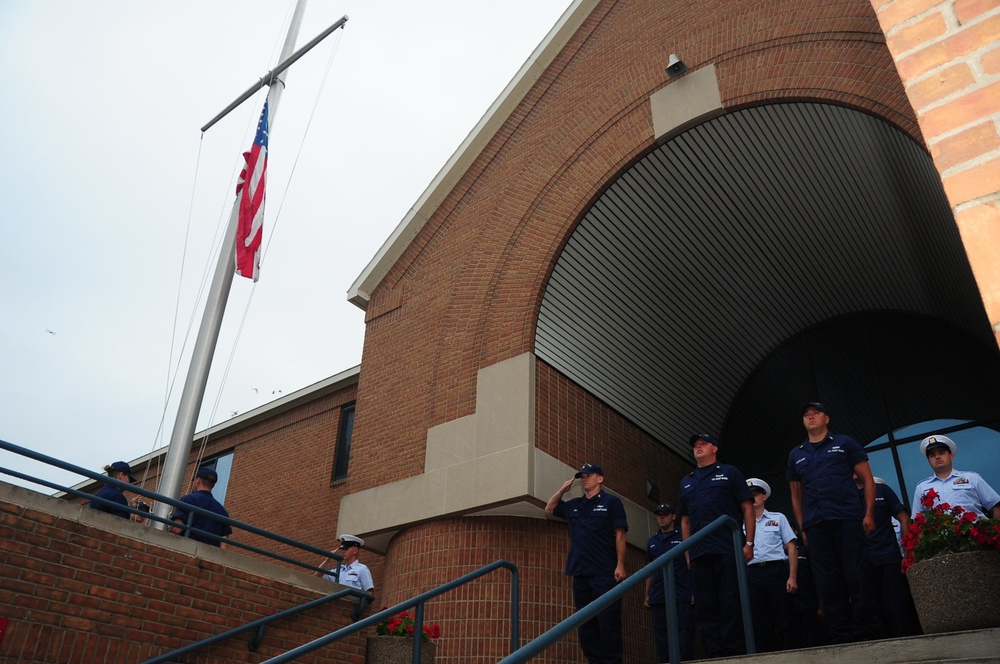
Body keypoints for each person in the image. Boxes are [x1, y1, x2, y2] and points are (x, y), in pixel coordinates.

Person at [787, 402, 875, 644]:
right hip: (816, 525)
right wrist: (803, 526)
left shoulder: (844, 443)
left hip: (846, 518)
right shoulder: (797, 454)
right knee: (827, 581)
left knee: (855, 574)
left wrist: (868, 513)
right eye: (806, 415)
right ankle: (841, 633)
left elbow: (867, 479)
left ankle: (865, 630)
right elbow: (796, 495)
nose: (810, 417)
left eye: (815, 413)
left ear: (826, 418)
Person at [678, 434, 755, 657]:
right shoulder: (687, 481)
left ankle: (735, 652)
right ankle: (715, 654)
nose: (698, 447)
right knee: (705, 605)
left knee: (731, 601)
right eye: (695, 445)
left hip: (727, 548)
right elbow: (684, 520)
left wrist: (749, 542)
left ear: (714, 448)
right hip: (700, 552)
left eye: (703, 444)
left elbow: (747, 507)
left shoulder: (730, 472)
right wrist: (687, 552)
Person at [546, 462, 628, 664]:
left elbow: (620, 535)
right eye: (582, 476)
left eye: (589, 475)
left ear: (600, 478)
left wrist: (620, 564)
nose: (584, 478)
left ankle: (611, 662)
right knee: (585, 623)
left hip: (604, 570)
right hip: (580, 571)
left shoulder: (611, 502)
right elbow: (550, 508)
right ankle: (594, 661)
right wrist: (562, 490)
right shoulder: (574, 504)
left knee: (608, 621)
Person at [856, 475, 920, 638]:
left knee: (896, 606)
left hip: (888, 558)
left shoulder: (882, 490)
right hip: (860, 564)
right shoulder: (845, 496)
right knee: (870, 611)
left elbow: (904, 519)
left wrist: (907, 554)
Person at [743, 478, 797, 652]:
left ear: (764, 496)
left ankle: (789, 656)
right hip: (753, 573)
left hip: (775, 571)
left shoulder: (778, 517)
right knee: (760, 621)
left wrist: (792, 577)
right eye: (749, 496)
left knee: (784, 619)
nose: (753, 498)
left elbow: (791, 548)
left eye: (756, 494)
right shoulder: (741, 525)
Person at [645, 503, 694, 663]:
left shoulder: (683, 537)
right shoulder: (652, 541)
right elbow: (650, 569)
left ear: (673, 516)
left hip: (682, 593)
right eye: (658, 514)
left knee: (684, 633)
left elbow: (691, 565)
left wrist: (694, 590)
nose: (660, 517)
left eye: (664, 514)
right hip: (659, 595)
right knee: (661, 635)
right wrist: (647, 594)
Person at [910, 434, 1000, 520]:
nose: (937, 457)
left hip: (975, 534)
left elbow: (995, 506)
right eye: (932, 455)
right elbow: (919, 520)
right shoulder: (922, 488)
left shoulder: (972, 478)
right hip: (942, 536)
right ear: (929, 462)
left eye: (941, 453)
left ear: (951, 456)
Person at [170, 466, 232, 548]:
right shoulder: (222, 511)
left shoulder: (189, 499)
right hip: (210, 555)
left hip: (186, 548)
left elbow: (177, 529)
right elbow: (224, 544)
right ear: (213, 485)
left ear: (198, 480)